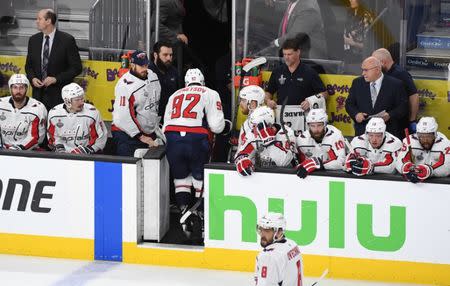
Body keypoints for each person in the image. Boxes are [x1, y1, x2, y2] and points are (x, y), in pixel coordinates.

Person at [163, 68, 228, 241]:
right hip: (195, 139)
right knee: (200, 180)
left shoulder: (175, 94)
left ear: (185, 83)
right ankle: (203, 217)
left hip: (172, 137)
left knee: (181, 179)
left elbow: (166, 124)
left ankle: (185, 216)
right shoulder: (210, 92)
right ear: (203, 81)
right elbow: (217, 126)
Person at [265, 38, 327, 132]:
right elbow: (268, 92)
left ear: (298, 52)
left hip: (303, 120)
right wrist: (268, 101)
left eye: (289, 54)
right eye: (284, 54)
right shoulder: (277, 71)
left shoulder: (309, 72)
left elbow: (325, 94)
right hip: (282, 119)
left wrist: (311, 101)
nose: (286, 57)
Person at [25, 8, 82, 111]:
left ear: (48, 21)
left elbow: (76, 68)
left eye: (39, 19)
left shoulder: (67, 40)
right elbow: (28, 66)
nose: (36, 21)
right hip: (38, 96)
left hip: (59, 95)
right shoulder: (33, 40)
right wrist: (32, 78)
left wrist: (56, 79)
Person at [112, 50, 164, 156]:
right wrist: (141, 136)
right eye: (141, 66)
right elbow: (121, 117)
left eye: (146, 65)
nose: (145, 69)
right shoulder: (124, 85)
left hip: (147, 132)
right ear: (132, 65)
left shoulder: (153, 76)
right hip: (127, 134)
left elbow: (154, 105)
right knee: (130, 169)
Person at [345, 56, 408, 140]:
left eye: (366, 70)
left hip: (387, 134)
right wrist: (356, 114)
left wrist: (389, 115)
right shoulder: (357, 83)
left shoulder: (395, 84)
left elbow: (403, 107)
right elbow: (349, 104)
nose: (363, 73)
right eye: (362, 70)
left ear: (378, 70)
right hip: (363, 133)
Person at [234, 106, 295, 176]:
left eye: (256, 125)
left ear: (268, 124)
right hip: (260, 176)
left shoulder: (286, 132)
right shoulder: (253, 133)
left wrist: (269, 141)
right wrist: (241, 160)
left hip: (284, 177)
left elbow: (283, 162)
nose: (253, 128)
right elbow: (241, 153)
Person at [47, 83, 107, 154]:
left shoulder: (92, 113)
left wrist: (89, 149)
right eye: (77, 100)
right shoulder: (54, 113)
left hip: (87, 155)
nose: (82, 102)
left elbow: (101, 136)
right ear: (67, 101)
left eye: (82, 98)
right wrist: (58, 146)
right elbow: (53, 135)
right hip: (63, 155)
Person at [372, 48, 419, 134]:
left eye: (375, 63)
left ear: (383, 62)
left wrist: (412, 120)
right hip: (383, 123)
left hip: (398, 124)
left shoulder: (401, 74)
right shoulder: (381, 74)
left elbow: (413, 96)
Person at [255, 212, 303, 286]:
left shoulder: (268, 256)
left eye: (267, 230)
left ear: (279, 231)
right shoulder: (292, 245)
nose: (262, 234)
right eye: (261, 229)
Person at [0, 74, 47, 150]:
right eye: (15, 87)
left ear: (26, 89)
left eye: (21, 87)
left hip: (26, 152)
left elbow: (35, 137)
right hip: (3, 151)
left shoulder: (38, 108)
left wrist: (18, 148)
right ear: (10, 88)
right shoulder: (1, 104)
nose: (18, 91)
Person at [396, 117, 450, 183]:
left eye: (428, 136)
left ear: (435, 134)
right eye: (421, 136)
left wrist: (429, 170)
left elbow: (447, 167)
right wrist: (406, 167)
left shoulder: (445, 144)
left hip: (437, 185)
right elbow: (399, 161)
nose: (425, 140)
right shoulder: (409, 141)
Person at [295, 108, 346, 178]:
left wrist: (319, 164)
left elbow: (341, 162)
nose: (316, 130)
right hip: (309, 178)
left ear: (325, 124)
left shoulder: (336, 135)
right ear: (308, 126)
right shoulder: (301, 139)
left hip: (332, 177)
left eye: (319, 125)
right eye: (312, 126)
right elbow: (297, 163)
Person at [149, 41, 179, 119]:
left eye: (171, 55)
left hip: (170, 118)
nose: (169, 58)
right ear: (155, 55)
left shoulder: (175, 72)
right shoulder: (147, 72)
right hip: (150, 119)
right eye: (165, 55)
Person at [343, 0, 374, 66]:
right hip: (348, 55)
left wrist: (353, 43)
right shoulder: (350, 13)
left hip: (361, 59)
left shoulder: (367, 17)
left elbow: (369, 46)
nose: (350, 0)